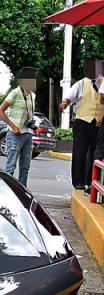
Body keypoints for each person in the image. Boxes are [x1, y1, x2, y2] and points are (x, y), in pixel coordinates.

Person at [59, 59, 104, 194]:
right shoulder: (82, 83)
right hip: (83, 122)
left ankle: (91, 180)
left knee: (94, 153)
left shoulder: (103, 82)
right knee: (80, 152)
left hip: (98, 123)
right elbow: (70, 97)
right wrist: (65, 103)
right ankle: (78, 181)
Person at [0, 67, 38, 187]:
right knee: (11, 166)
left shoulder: (32, 96)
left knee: (25, 167)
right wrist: (13, 127)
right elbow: (0, 111)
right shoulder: (15, 93)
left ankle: (22, 192)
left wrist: (33, 128)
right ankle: (8, 190)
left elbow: (30, 114)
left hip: (28, 134)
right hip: (15, 135)